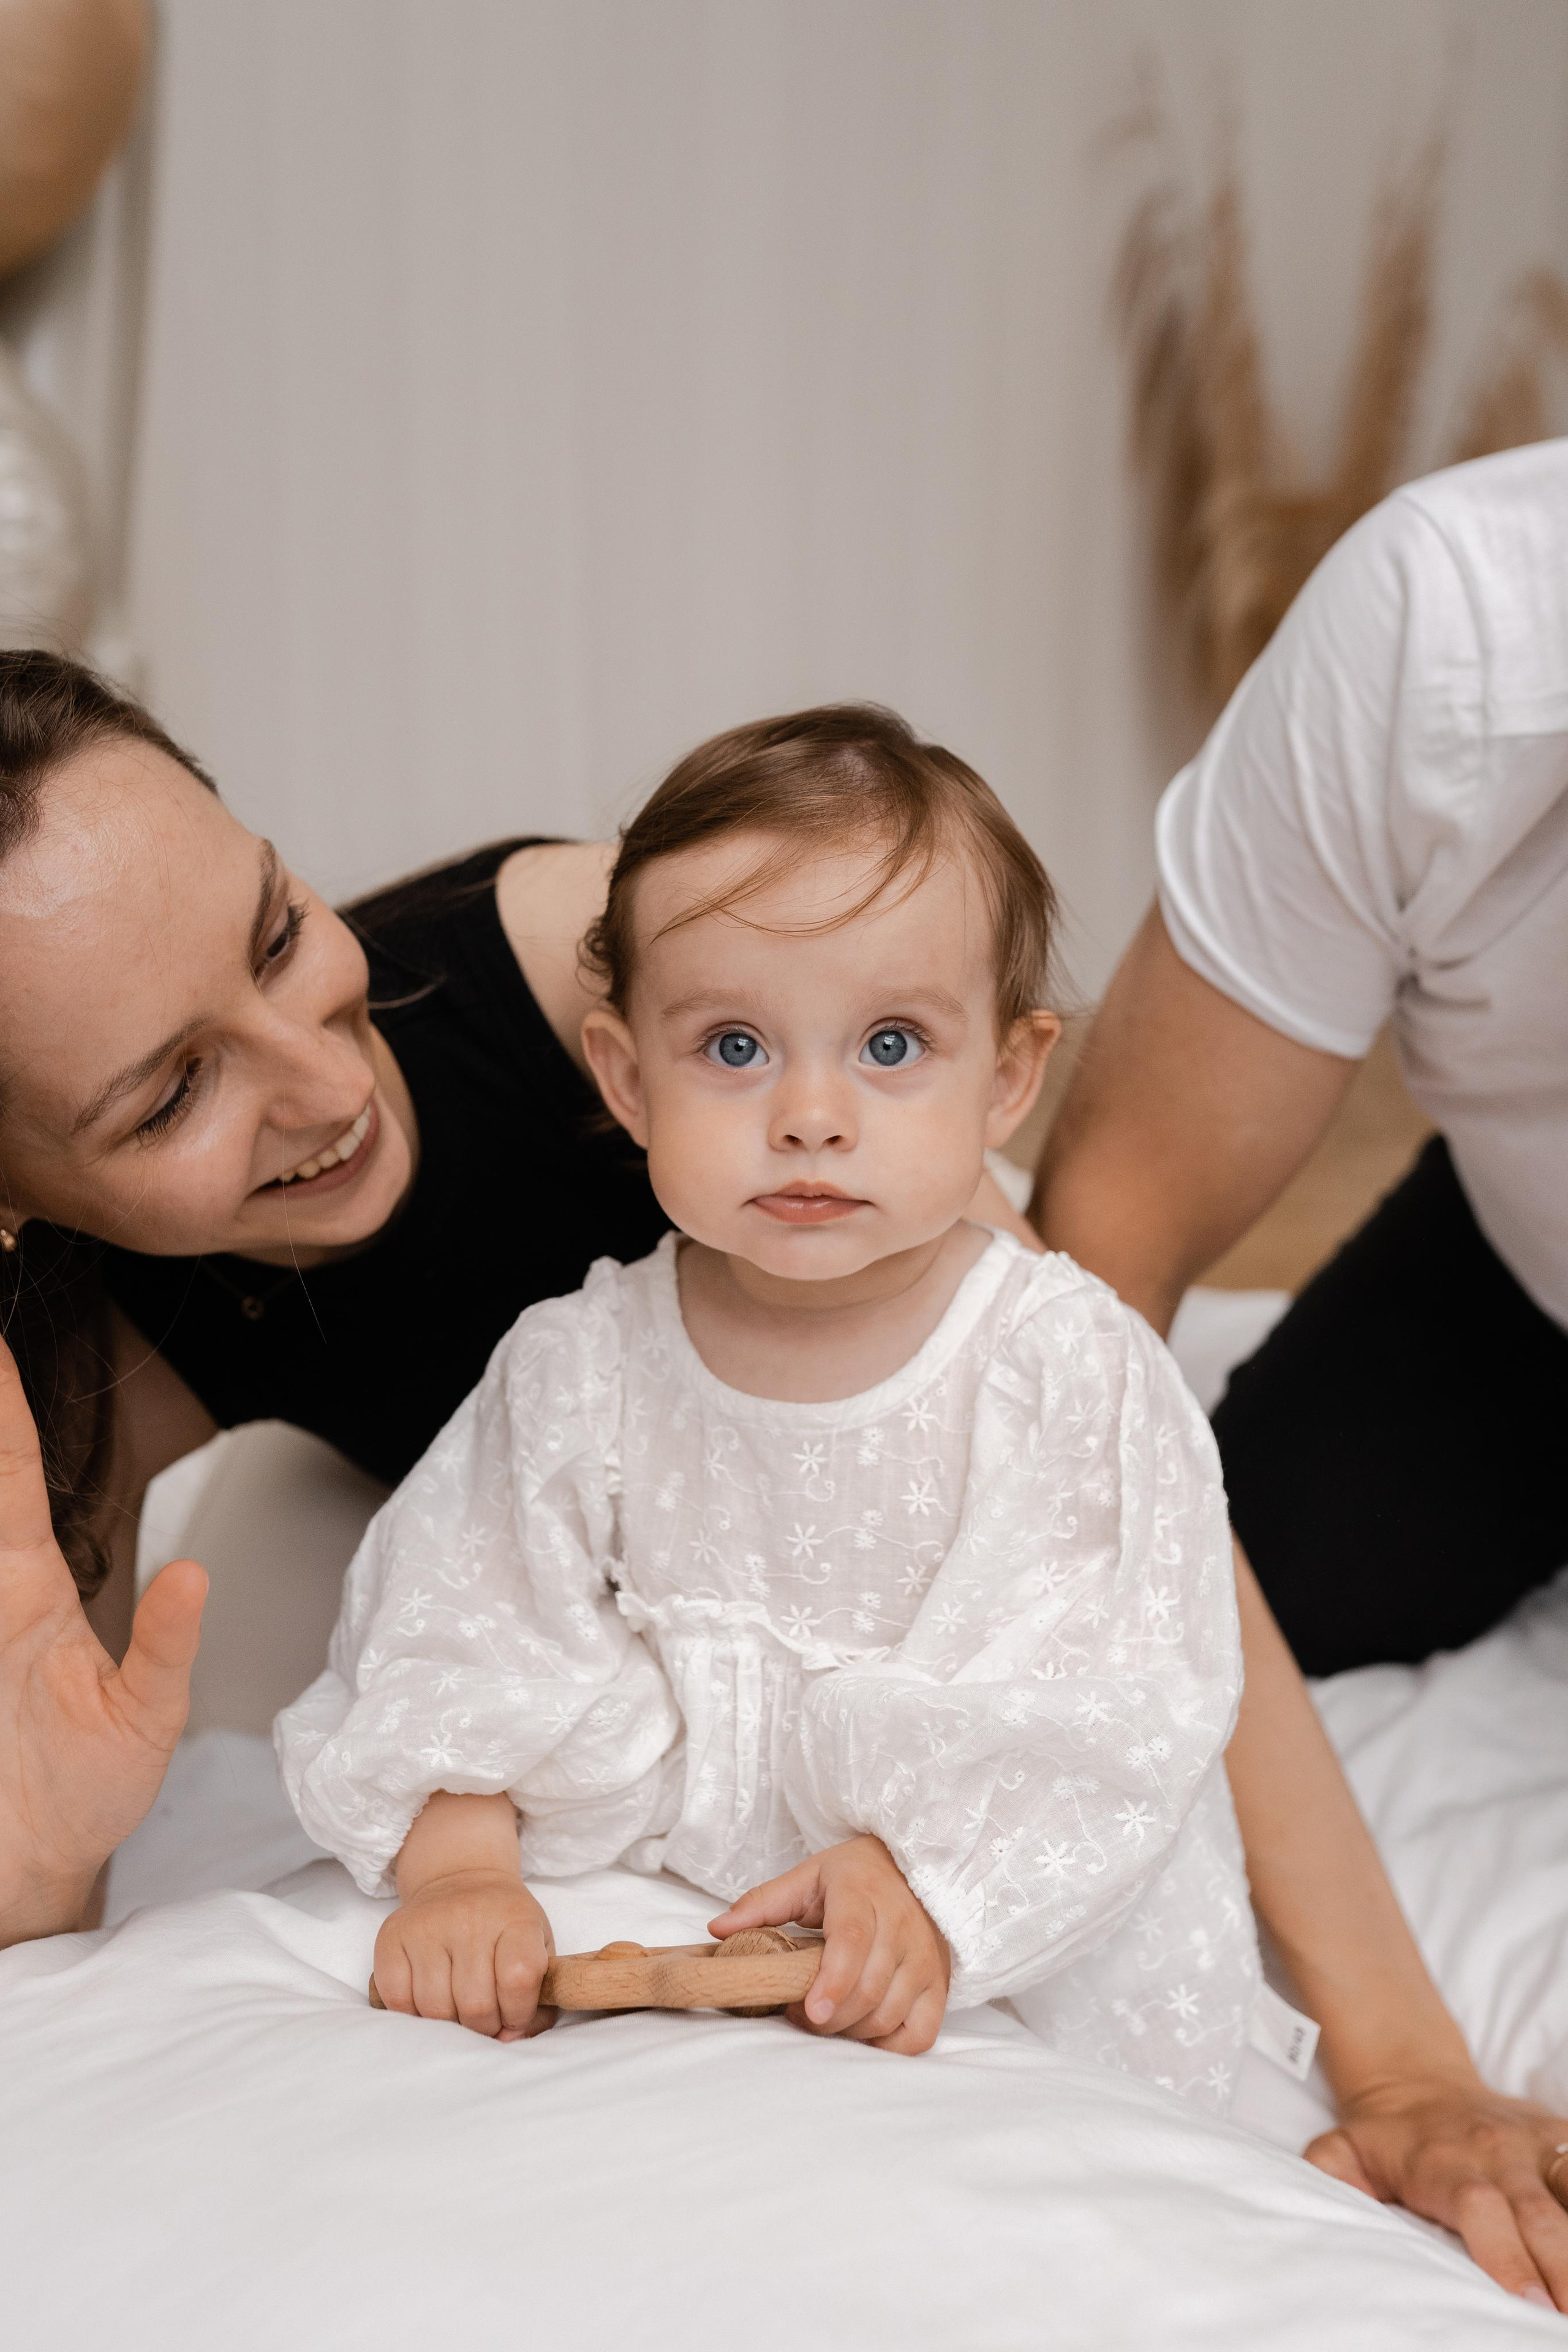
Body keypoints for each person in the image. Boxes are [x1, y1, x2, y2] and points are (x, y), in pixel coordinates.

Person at [275, 707, 1257, 2097]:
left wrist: (922, 1876)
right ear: (625, 1078)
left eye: (892, 1045)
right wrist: (457, 1877)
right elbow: (464, 1620)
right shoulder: (581, 1365)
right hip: (688, 1902)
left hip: (1000, 1923)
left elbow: (1106, 1688)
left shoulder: (1059, 1363)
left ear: (1008, 1076)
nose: (809, 1113)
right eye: (733, 1050)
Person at [1034, 441, 1568, 2306]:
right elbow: (1102, 1254)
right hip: (1525, 1282)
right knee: (1169, 1613)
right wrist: (1409, 2064)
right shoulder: (1447, 630)